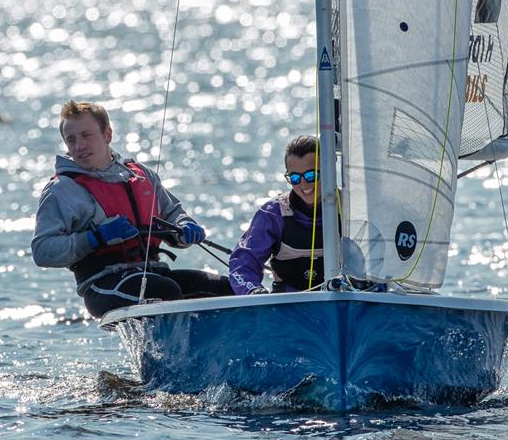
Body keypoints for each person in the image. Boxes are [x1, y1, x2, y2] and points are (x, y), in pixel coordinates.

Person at [31, 100, 233, 318]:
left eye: (86, 135)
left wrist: (185, 226)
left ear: (107, 135)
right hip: (103, 284)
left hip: (153, 272)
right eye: (71, 140)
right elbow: (42, 251)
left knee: (230, 287)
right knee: (165, 291)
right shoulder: (62, 189)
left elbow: (173, 212)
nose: (79, 146)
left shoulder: (140, 174)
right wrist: (95, 237)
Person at [228, 135, 325, 294]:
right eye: (294, 178)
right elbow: (243, 264)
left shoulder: (350, 208)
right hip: (287, 306)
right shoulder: (273, 213)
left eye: (311, 175)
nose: (304, 184)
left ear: (328, 170)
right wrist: (253, 291)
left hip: (340, 304)